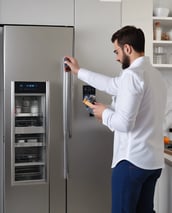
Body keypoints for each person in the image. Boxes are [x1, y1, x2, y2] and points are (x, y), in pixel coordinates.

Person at [64, 25, 167, 213]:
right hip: (153, 163)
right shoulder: (156, 76)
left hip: (131, 162)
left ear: (127, 48)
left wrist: (104, 113)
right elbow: (111, 85)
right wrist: (78, 71)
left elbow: (124, 124)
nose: (116, 57)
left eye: (117, 51)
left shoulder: (131, 75)